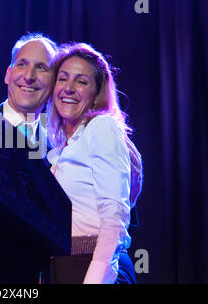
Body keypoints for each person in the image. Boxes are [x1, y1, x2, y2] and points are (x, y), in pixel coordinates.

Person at [46, 42, 143, 284]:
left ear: (96, 94)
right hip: (64, 266)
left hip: (95, 266)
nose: (68, 88)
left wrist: (97, 277)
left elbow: (114, 214)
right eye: (63, 78)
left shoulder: (101, 127)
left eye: (81, 81)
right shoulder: (59, 151)